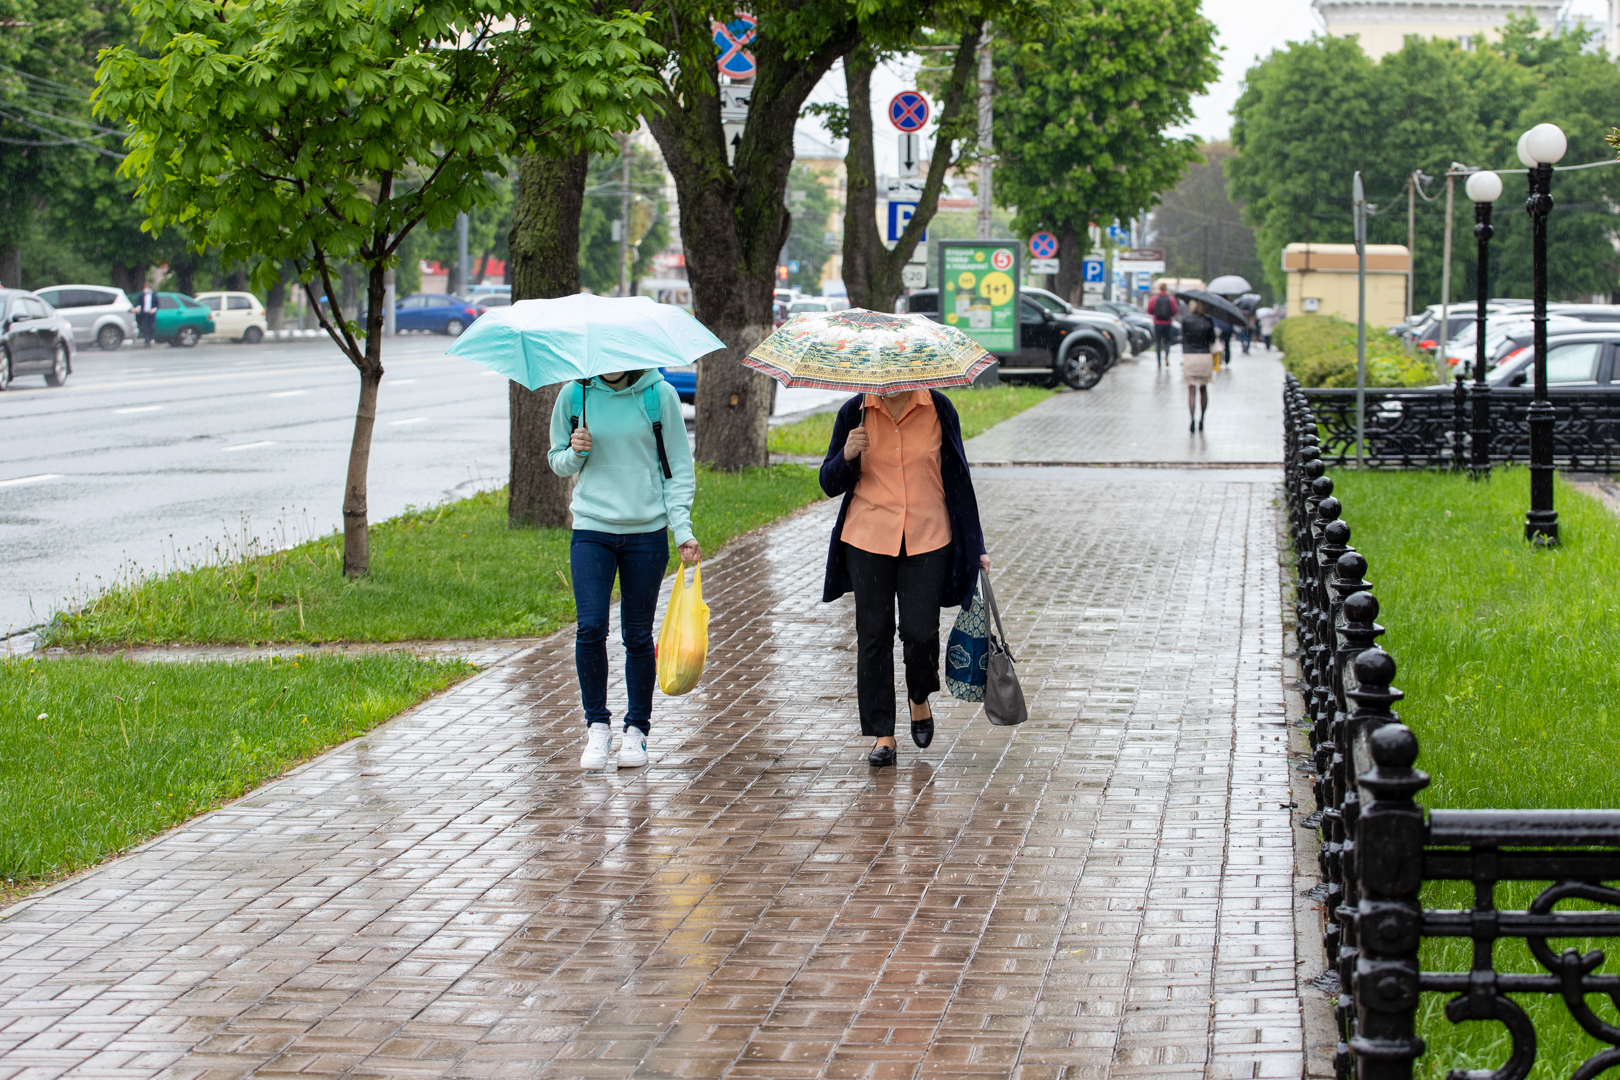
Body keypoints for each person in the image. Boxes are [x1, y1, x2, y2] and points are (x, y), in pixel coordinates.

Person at [819, 388, 989, 768]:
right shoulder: (855, 411)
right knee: (874, 634)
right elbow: (829, 483)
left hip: (928, 537)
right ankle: (883, 734)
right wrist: (847, 454)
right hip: (867, 538)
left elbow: (959, 481)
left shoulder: (939, 409)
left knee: (920, 632)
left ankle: (918, 696)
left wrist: (976, 545)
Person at [548, 368, 698, 770]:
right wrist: (575, 453)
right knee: (591, 626)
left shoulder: (658, 395)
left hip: (645, 533)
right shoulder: (574, 395)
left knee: (636, 634)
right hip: (591, 528)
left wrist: (681, 529)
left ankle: (637, 731)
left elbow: (677, 468)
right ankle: (597, 727)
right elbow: (557, 462)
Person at [1181, 300, 1215, 432]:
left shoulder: (1186, 320)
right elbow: (1212, 339)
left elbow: (1184, 337)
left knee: (1191, 391)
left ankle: (1192, 420)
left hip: (1190, 356)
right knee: (1203, 389)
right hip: (1205, 356)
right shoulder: (1208, 321)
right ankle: (1202, 419)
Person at [1149, 283, 1177, 367]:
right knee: (1167, 341)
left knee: (1158, 342)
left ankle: (1159, 362)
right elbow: (1174, 311)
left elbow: (1150, 310)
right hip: (1167, 323)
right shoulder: (1171, 299)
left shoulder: (1154, 298)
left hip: (1157, 323)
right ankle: (1166, 356)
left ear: (1159, 289)